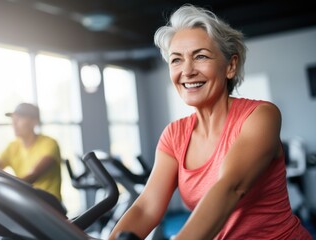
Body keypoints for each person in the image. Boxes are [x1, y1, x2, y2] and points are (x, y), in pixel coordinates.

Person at [109, 4, 312, 240]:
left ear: (230, 66)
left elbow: (231, 187)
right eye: (176, 60)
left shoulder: (260, 116)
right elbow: (146, 207)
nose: (187, 70)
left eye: (201, 56)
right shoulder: (174, 136)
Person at [0, 102, 63, 202]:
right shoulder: (13, 146)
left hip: (49, 203)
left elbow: (32, 176)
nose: (14, 123)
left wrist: (5, 183)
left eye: (19, 118)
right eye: (13, 119)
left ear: (34, 121)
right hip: (27, 201)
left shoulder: (50, 143)